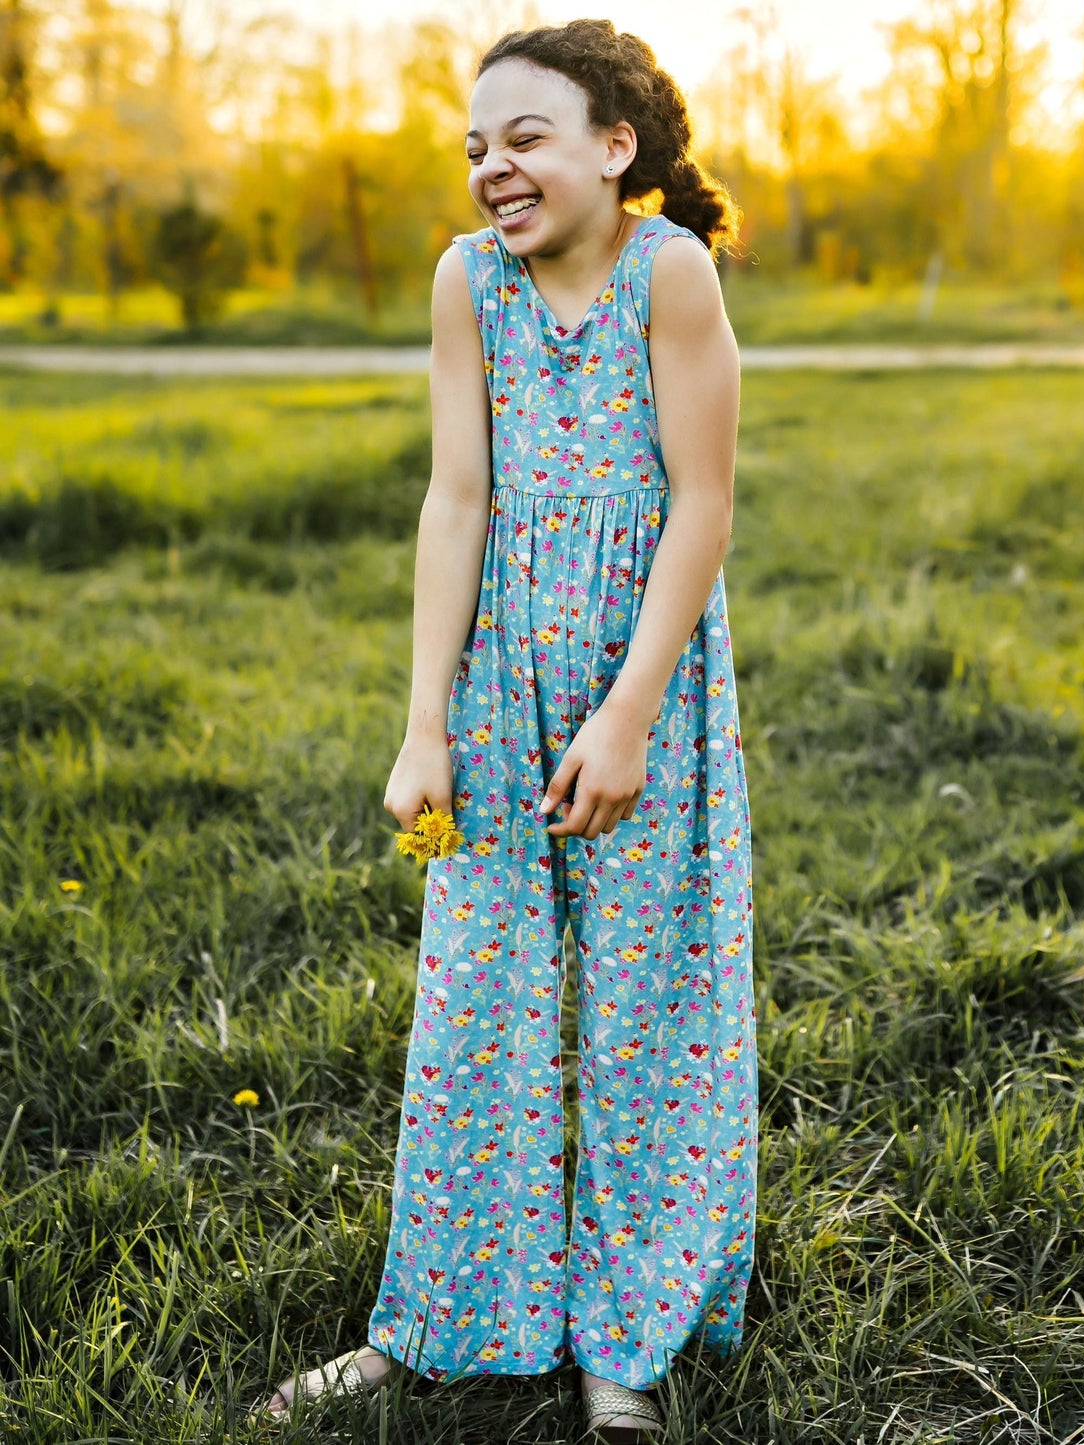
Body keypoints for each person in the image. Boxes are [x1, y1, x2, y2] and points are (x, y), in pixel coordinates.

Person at [254, 18, 757, 1444]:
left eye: (525, 137)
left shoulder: (672, 274)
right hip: (496, 681)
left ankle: (626, 1342)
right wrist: (425, 725)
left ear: (616, 147)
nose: (492, 167)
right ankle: (440, 1321)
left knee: (654, 1003)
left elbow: (702, 506)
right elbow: (456, 500)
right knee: (480, 1001)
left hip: (639, 679)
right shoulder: (466, 282)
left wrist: (629, 717)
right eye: (476, 145)